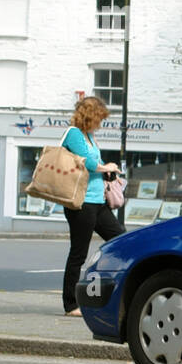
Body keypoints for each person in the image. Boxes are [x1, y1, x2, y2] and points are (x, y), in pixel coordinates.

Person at [61, 96, 124, 315]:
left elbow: (93, 165)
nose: (101, 123)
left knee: (121, 239)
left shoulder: (89, 136)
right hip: (81, 203)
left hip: (98, 202)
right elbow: (86, 163)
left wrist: (107, 171)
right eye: (100, 118)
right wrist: (105, 165)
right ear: (90, 115)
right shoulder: (74, 134)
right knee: (78, 253)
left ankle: (116, 292)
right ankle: (70, 304)